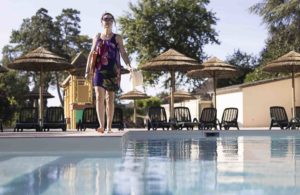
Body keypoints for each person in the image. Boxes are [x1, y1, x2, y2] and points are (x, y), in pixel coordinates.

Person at [85, 12, 131, 133]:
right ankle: (101, 125)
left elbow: (123, 53)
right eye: (105, 19)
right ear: (102, 21)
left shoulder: (117, 37)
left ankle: (109, 127)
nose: (108, 21)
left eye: (110, 19)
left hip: (113, 70)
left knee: (109, 98)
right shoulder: (97, 37)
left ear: (113, 21)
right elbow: (91, 54)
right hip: (98, 69)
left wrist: (129, 65)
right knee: (99, 97)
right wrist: (88, 70)